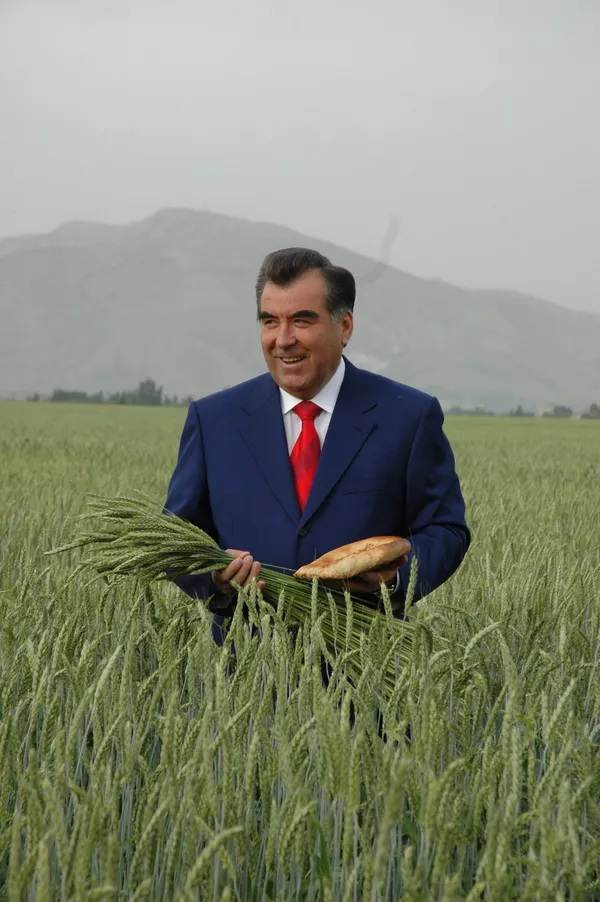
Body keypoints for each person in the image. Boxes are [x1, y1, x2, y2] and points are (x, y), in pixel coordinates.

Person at [164, 247, 470, 644]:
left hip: (369, 662)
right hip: (246, 666)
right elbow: (174, 535)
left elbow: (445, 529)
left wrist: (395, 581)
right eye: (270, 321)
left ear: (345, 326)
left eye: (302, 320)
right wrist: (214, 578)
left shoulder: (408, 416)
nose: (283, 339)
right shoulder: (213, 420)